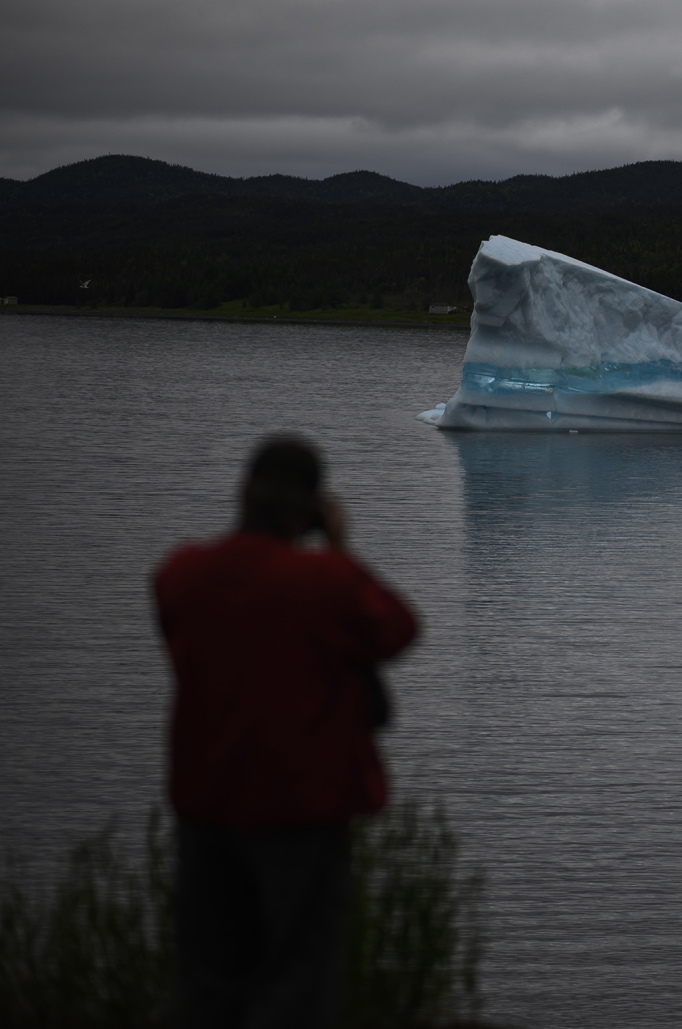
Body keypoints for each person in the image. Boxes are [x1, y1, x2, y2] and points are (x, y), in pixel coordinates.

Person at [153, 436, 419, 1029]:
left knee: (206, 984)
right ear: (313, 508)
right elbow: (397, 628)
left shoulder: (181, 575)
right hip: (301, 815)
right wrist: (339, 548)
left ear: (242, 492)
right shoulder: (326, 585)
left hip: (206, 812)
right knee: (297, 986)